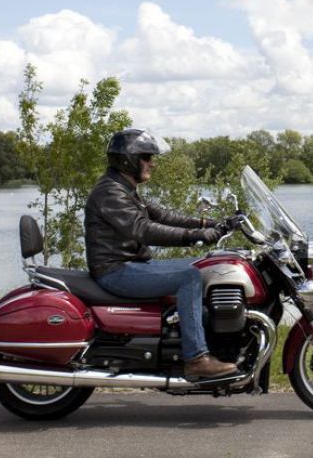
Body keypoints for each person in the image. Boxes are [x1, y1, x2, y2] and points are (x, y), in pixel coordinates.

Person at [84, 127, 238, 380]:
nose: (152, 163)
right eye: (147, 157)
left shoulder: (124, 188)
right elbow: (142, 229)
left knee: (210, 265)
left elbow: (162, 216)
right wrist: (194, 236)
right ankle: (196, 359)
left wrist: (210, 224)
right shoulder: (110, 192)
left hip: (131, 265)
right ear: (128, 159)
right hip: (115, 271)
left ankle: (211, 341)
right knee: (189, 277)